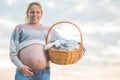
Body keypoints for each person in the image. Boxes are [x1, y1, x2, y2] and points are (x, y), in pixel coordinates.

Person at [9, 1, 61, 80]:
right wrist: (20, 66)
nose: (35, 15)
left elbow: (64, 43)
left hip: (43, 73)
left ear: (41, 14)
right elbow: (12, 53)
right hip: (23, 72)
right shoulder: (19, 28)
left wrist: (80, 49)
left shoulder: (49, 30)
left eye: (38, 12)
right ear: (27, 13)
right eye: (32, 12)